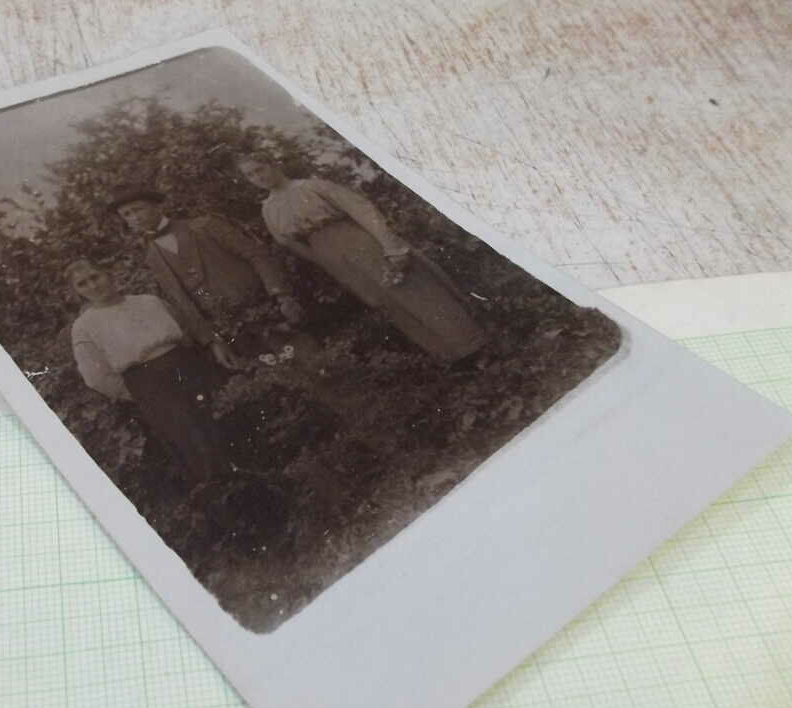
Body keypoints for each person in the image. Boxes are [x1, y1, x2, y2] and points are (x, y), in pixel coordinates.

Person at [236, 154, 487, 364]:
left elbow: (361, 209)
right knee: (383, 301)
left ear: (273, 164)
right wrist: (325, 261)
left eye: (261, 169)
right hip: (330, 256)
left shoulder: (312, 187)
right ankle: (450, 356)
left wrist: (389, 245)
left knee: (410, 288)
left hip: (356, 240)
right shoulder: (268, 209)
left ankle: (474, 345)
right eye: (251, 175)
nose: (259, 177)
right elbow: (287, 242)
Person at [66, 259, 232, 482]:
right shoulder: (84, 326)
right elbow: (94, 375)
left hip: (184, 367)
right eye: (83, 284)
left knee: (219, 426)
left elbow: (184, 332)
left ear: (108, 274)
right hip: (148, 385)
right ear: (77, 292)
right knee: (194, 442)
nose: (93, 286)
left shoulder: (149, 302)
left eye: (96, 277)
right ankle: (228, 501)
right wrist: (136, 392)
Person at [107, 185, 306, 368]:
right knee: (281, 383)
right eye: (127, 214)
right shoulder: (152, 257)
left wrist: (281, 296)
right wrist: (212, 341)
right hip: (235, 334)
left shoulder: (204, 225)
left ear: (157, 206)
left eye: (138, 209)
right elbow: (182, 301)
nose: (135, 217)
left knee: (313, 365)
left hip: (270, 310)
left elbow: (257, 255)